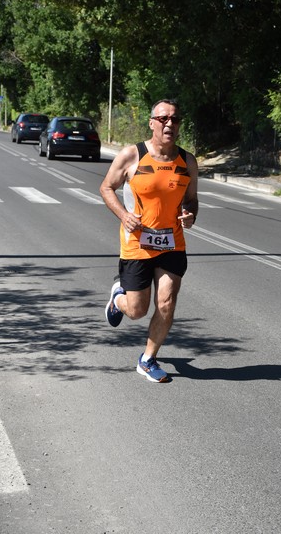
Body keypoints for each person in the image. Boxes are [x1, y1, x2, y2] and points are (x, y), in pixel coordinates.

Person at [100, 99, 198, 382]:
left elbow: (191, 199)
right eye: (164, 118)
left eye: (175, 119)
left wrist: (190, 215)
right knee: (137, 310)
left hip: (172, 244)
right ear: (152, 122)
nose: (170, 124)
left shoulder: (187, 161)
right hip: (136, 245)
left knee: (166, 302)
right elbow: (106, 187)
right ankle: (118, 299)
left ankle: (147, 359)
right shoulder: (132, 155)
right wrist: (122, 214)